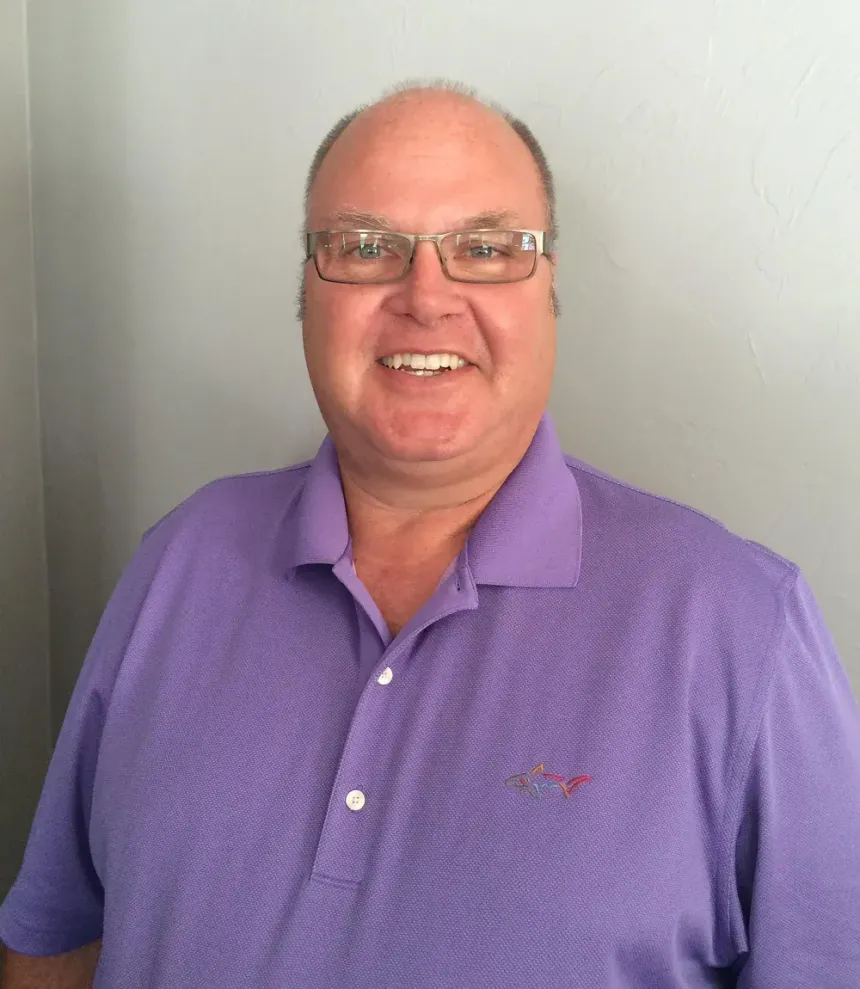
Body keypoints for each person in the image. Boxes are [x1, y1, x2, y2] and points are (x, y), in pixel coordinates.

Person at [1, 81, 859, 989]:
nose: (426, 295)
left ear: (550, 287)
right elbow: (57, 936)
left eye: (486, 249)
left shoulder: (743, 626)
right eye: (366, 247)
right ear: (306, 289)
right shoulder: (179, 558)